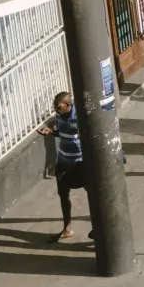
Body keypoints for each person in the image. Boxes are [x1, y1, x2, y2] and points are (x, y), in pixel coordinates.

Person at [41, 92, 88, 240]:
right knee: (63, 194)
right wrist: (50, 132)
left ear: (68, 105)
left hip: (79, 162)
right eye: (55, 107)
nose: (56, 109)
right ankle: (67, 228)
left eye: (59, 107)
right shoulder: (59, 116)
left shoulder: (79, 117)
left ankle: (99, 226)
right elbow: (62, 132)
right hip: (63, 162)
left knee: (93, 192)